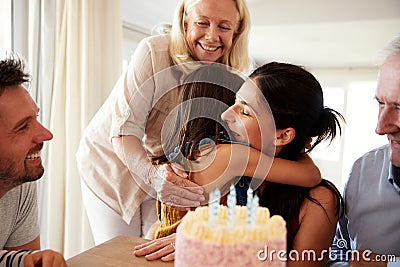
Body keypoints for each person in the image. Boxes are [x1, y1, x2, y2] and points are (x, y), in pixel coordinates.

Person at [76, 0, 320, 245]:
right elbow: (123, 133)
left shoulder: (237, 74)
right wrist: (154, 175)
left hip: (174, 166)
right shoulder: (153, 52)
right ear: (184, 23)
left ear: (237, 30)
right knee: (121, 248)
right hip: (112, 164)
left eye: (224, 27)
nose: (212, 36)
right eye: (202, 23)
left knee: (155, 239)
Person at [134, 62, 344, 267]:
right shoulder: (229, 171)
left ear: (283, 135)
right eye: (234, 102)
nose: (225, 115)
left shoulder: (319, 201)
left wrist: (212, 248)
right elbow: (161, 229)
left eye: (245, 111)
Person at [327, 35, 400, 267]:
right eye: (381, 103)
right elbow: (339, 253)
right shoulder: (363, 171)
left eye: (399, 107)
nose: (381, 127)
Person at [0, 54, 67, 266]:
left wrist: (31, 261)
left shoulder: (17, 184)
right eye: (22, 126)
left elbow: (28, 262)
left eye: (35, 118)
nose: (46, 134)